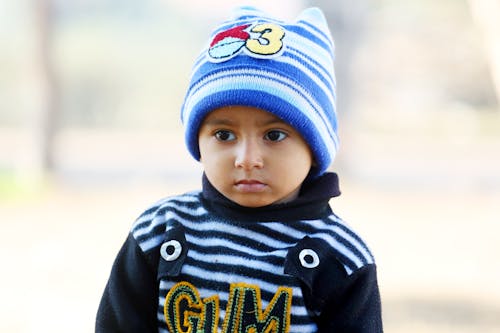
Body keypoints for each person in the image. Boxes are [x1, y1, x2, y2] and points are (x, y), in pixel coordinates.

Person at [96, 6, 382, 333]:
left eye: (274, 135)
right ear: (198, 142)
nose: (247, 159)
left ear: (315, 148)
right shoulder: (160, 232)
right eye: (224, 135)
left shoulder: (338, 256)